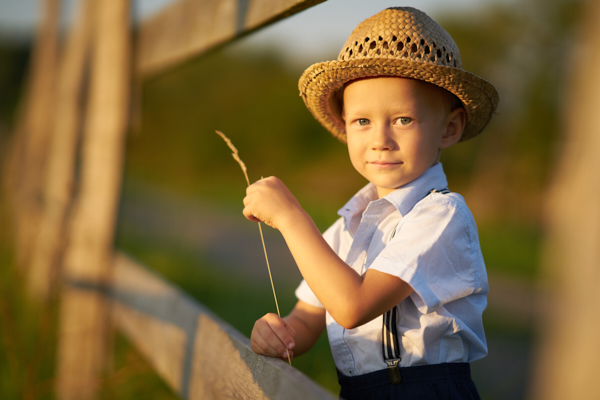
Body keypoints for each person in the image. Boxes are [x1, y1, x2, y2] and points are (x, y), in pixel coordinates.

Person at [243, 7, 498, 400]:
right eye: (362, 121)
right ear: (345, 125)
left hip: (425, 392)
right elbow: (308, 319)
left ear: (449, 128)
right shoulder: (348, 226)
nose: (380, 139)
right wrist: (278, 334)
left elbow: (352, 306)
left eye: (403, 120)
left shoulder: (441, 217)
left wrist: (290, 217)